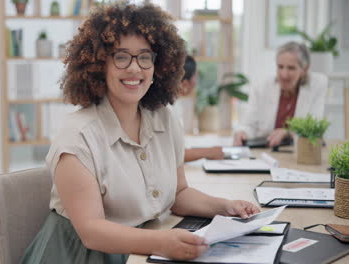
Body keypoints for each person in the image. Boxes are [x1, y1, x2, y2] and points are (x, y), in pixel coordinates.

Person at [21, 3, 260, 264]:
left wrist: (225, 207)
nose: (135, 68)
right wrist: (162, 242)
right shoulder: (77, 136)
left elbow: (179, 194)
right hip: (82, 255)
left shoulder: (165, 119)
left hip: (141, 248)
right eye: (121, 56)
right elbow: (91, 231)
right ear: (100, 64)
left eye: (145, 57)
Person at [233, 41, 328, 147]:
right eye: (280, 67)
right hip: (266, 152)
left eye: (291, 68)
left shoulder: (317, 84)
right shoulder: (262, 87)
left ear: (305, 70)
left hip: (299, 152)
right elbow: (249, 124)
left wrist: (289, 133)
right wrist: (242, 133)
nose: (284, 74)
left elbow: (315, 127)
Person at [180, 55, 224, 162]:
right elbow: (174, 154)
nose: (196, 82)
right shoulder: (166, 109)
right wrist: (209, 152)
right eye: (196, 77)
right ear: (184, 83)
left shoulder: (174, 104)